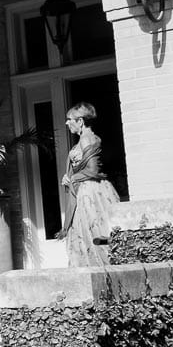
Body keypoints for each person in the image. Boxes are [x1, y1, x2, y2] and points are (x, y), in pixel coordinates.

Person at [60, 101, 120, 267]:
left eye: (69, 119)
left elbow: (92, 170)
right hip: (88, 189)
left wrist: (72, 178)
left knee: (92, 232)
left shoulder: (87, 139)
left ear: (80, 121)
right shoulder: (86, 138)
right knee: (89, 233)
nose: (67, 123)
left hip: (90, 193)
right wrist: (70, 177)